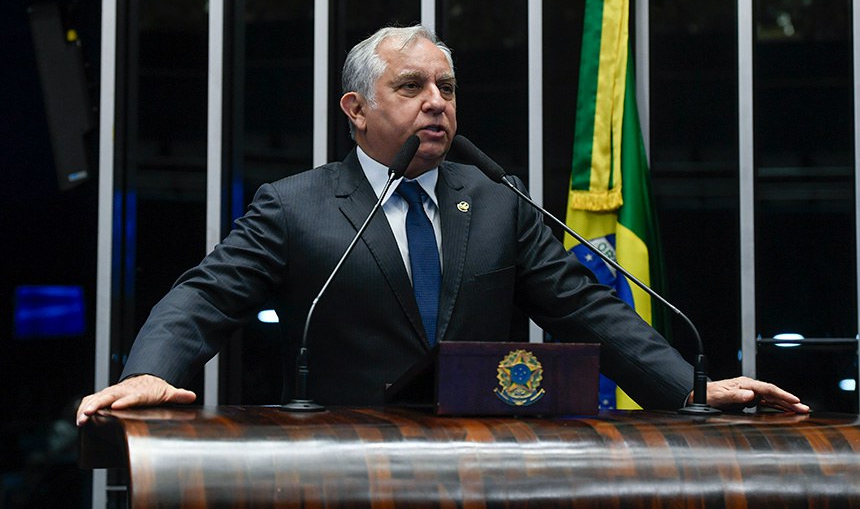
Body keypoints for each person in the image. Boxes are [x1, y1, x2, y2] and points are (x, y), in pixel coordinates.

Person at [77, 25, 807, 426]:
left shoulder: (495, 200)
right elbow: (207, 296)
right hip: (347, 464)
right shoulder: (294, 206)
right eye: (411, 86)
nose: (436, 103)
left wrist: (688, 388)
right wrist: (149, 373)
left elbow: (583, 312)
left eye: (447, 88)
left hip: (486, 460)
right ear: (355, 110)